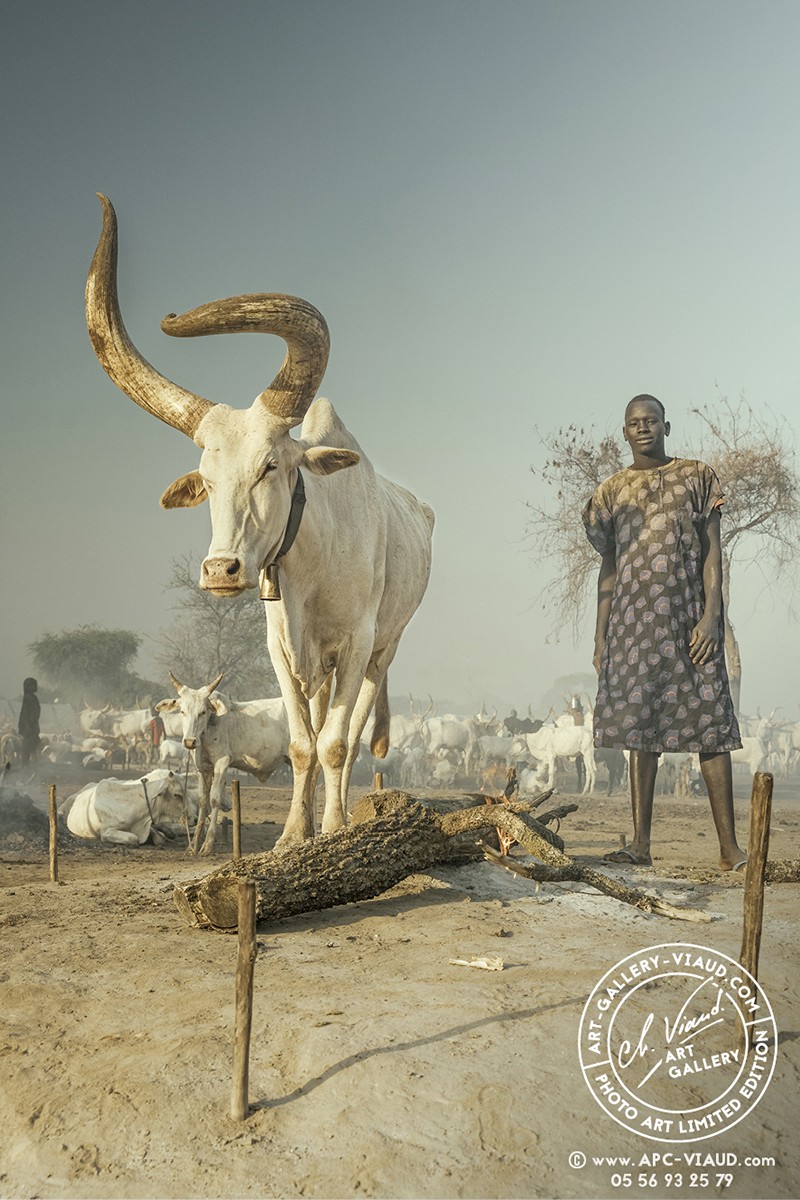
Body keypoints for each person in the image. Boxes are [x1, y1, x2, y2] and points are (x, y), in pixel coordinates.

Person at [582, 394, 746, 871]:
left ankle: (729, 850)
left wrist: (711, 616)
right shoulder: (610, 492)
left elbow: (713, 552)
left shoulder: (697, 477)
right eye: (634, 423)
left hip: (691, 621)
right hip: (632, 627)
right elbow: (608, 571)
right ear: (625, 432)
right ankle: (639, 846)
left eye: (651, 421)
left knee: (712, 724)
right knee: (641, 730)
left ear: (666, 425)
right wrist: (600, 637)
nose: (643, 429)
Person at [18, 677, 41, 767]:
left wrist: (23, 726)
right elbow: (27, 714)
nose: (36, 686)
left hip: (29, 728)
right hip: (29, 729)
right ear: (29, 686)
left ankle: (27, 768)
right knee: (27, 750)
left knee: (27, 750)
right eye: (34, 684)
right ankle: (27, 768)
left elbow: (30, 715)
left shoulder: (30, 698)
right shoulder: (30, 698)